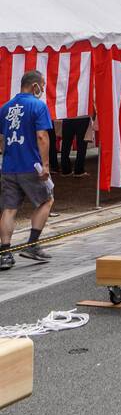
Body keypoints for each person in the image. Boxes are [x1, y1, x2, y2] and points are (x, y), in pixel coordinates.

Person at [0, 69, 55, 269]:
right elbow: (42, 136)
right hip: (31, 165)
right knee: (47, 200)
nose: (42, 89)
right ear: (35, 86)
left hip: (8, 166)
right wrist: (46, 165)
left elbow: (1, 138)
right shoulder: (38, 106)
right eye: (42, 85)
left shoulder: (5, 108)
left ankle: (5, 253)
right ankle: (32, 245)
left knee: (9, 209)